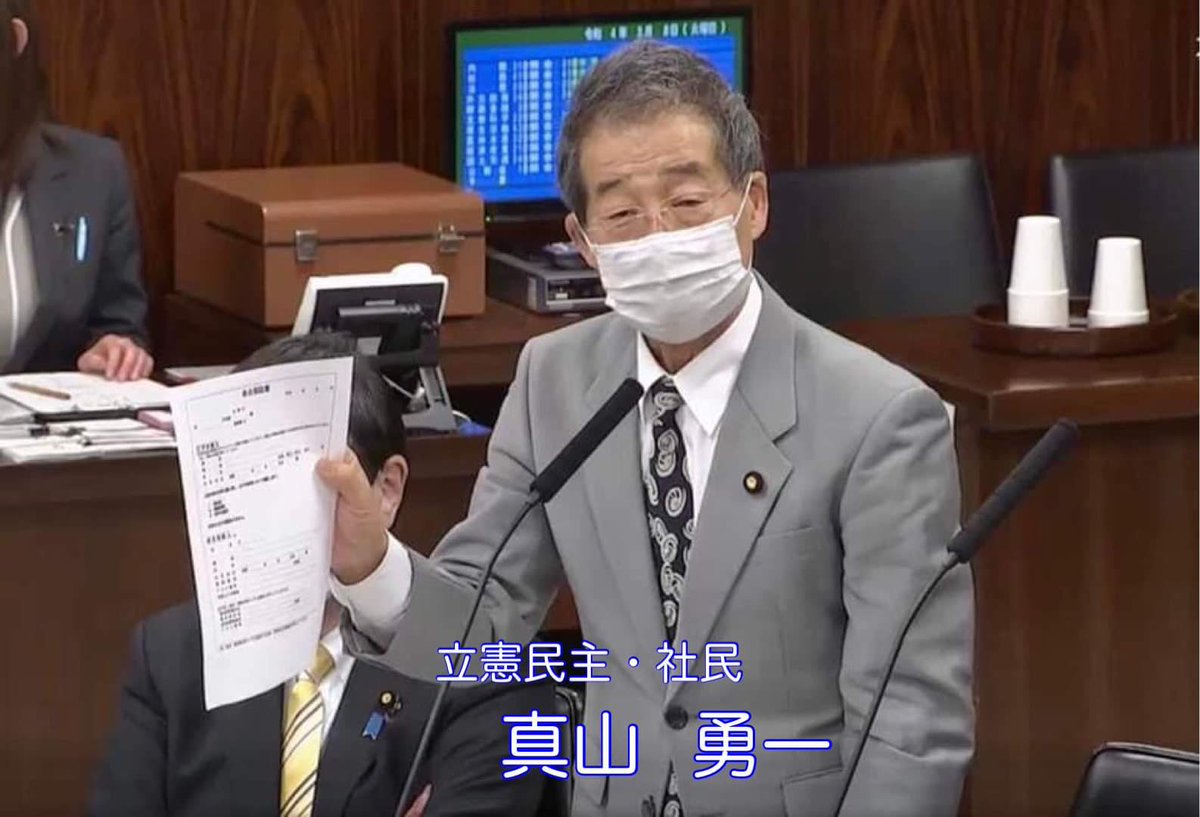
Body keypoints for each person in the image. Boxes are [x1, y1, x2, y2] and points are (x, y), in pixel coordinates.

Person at [319, 42, 974, 817]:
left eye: (687, 201)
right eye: (624, 214)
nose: (658, 234)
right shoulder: (554, 381)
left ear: (754, 204)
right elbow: (485, 622)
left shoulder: (879, 415)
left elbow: (909, 718)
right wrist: (371, 566)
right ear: (584, 241)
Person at [91, 333, 551, 817]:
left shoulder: (490, 672)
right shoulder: (174, 655)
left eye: (292, 473)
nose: (267, 509)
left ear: (386, 488)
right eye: (241, 477)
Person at [1, 0, 152, 379]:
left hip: (41, 414)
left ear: (14, 41)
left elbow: (117, 324)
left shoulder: (92, 171)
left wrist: (112, 351)